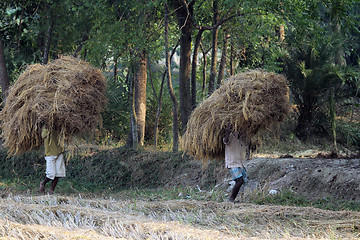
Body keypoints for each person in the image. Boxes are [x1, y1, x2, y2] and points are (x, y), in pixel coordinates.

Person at [223, 124, 253, 203]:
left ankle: (233, 198)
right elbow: (225, 140)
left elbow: (247, 142)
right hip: (232, 162)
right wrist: (228, 130)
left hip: (240, 163)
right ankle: (231, 199)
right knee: (240, 181)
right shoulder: (228, 138)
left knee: (241, 181)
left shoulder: (240, 137)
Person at [39, 126, 65, 195]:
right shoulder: (45, 128)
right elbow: (43, 136)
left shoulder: (60, 126)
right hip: (50, 153)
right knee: (51, 173)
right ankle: (43, 183)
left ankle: (51, 191)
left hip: (59, 151)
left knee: (58, 174)